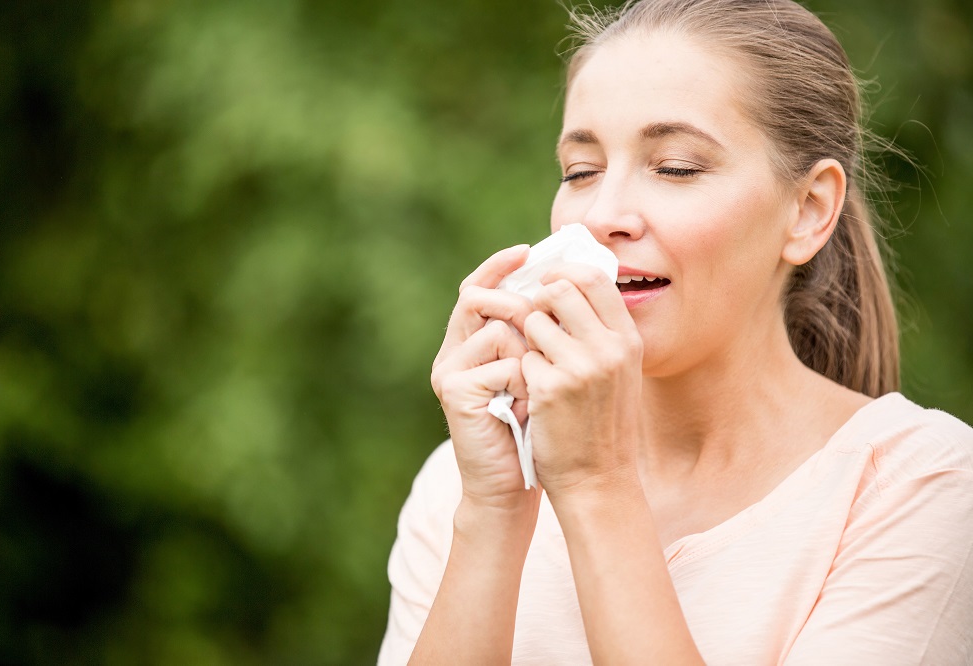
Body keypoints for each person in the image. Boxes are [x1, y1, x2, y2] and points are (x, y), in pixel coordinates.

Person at [378, 0, 973, 663]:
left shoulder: (924, 488)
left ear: (808, 210)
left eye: (676, 167)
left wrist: (595, 484)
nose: (603, 214)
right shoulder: (459, 489)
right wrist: (493, 513)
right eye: (581, 172)